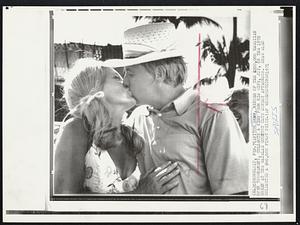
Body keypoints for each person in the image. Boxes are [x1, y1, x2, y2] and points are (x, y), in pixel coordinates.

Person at [104, 22, 249, 195]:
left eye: (130, 73)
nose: (125, 81)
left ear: (158, 73)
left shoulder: (212, 114)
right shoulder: (138, 117)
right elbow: (123, 176)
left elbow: (234, 199)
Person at [54, 58, 180, 194]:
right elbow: (65, 201)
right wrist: (141, 193)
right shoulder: (76, 129)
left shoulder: (131, 136)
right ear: (94, 88)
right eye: (116, 78)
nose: (126, 83)